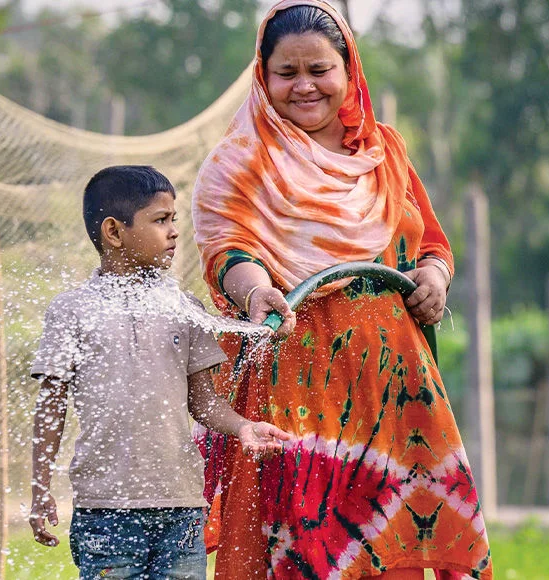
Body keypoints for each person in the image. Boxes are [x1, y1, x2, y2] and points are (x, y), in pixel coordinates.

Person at [192, 2, 493, 579]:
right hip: (295, 382)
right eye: (287, 73)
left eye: (319, 70)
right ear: (263, 76)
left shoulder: (385, 152)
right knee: (301, 545)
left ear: (348, 69)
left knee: (390, 541)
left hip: (391, 385)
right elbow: (228, 249)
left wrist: (434, 279)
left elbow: (430, 244)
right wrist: (255, 292)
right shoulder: (241, 161)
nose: (304, 86)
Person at [28, 165, 292, 580]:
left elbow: (203, 403)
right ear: (114, 232)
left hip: (182, 508)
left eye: (174, 219)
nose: (174, 232)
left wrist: (243, 426)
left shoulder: (184, 308)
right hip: (106, 511)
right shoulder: (73, 311)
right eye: (160, 220)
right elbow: (51, 407)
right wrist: (40, 487)